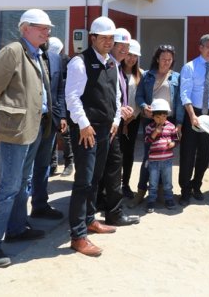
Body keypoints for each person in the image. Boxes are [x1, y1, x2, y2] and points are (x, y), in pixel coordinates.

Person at [0, 9, 54, 268]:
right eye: (40, 27)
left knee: (24, 182)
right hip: (15, 128)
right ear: (24, 28)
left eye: (48, 27)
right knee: (9, 187)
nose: (46, 31)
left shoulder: (37, 54)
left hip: (33, 126)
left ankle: (17, 228)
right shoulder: (13, 52)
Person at [65, 16, 122, 258]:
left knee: (96, 178)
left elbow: (116, 95)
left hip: (105, 130)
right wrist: (85, 125)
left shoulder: (112, 63)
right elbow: (72, 97)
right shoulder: (79, 62)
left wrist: (117, 120)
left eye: (112, 38)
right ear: (93, 38)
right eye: (104, 38)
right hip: (86, 131)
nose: (109, 42)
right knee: (84, 182)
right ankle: (78, 236)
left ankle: (89, 221)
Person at [95, 28, 139, 225]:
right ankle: (106, 208)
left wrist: (120, 111)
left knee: (112, 167)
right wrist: (117, 112)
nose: (124, 50)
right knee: (105, 168)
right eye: (120, 46)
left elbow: (116, 96)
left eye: (127, 47)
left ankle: (111, 209)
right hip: (100, 126)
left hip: (114, 125)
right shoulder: (105, 65)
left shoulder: (115, 66)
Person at [132, 44, 184, 207]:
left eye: (169, 59)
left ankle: (161, 192)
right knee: (149, 157)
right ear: (157, 59)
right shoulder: (147, 76)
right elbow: (139, 96)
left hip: (169, 122)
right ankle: (141, 191)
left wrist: (180, 123)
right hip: (151, 121)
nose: (166, 62)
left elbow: (180, 102)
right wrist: (143, 106)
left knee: (166, 155)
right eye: (163, 59)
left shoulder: (176, 77)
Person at [178, 34, 209, 206]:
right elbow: (185, 93)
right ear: (201, 47)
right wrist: (192, 116)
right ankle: (185, 190)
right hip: (193, 113)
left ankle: (196, 185)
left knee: (204, 154)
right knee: (188, 154)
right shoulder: (189, 67)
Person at [28, 36, 67, 221]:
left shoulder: (55, 59)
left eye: (47, 31)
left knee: (43, 166)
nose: (45, 35)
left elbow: (60, 90)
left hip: (49, 121)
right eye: (41, 30)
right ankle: (17, 218)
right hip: (28, 122)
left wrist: (61, 116)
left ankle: (40, 206)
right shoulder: (21, 55)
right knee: (26, 170)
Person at [144, 99, 179, 213]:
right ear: (153, 116)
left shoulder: (171, 126)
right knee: (153, 182)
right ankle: (151, 200)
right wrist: (155, 132)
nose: (161, 119)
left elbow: (175, 139)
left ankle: (169, 198)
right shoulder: (149, 127)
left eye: (164, 116)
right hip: (153, 161)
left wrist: (173, 143)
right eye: (158, 117)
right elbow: (147, 141)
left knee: (167, 182)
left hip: (167, 160)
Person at [120, 39, 144, 198]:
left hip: (133, 120)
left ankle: (126, 184)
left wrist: (133, 116)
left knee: (128, 153)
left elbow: (141, 97)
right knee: (115, 154)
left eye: (135, 56)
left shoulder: (141, 74)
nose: (131, 59)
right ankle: (113, 184)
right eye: (129, 55)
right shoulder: (115, 70)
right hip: (117, 120)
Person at [47, 37, 74, 177]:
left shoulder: (68, 62)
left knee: (65, 134)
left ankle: (69, 163)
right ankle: (52, 164)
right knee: (51, 133)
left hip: (64, 101)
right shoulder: (46, 60)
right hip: (51, 102)